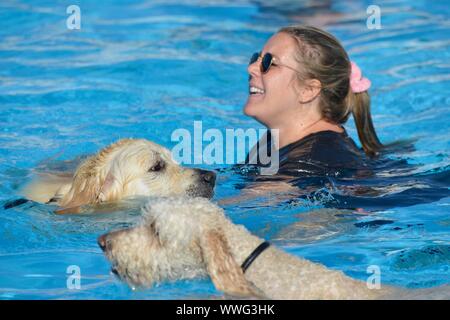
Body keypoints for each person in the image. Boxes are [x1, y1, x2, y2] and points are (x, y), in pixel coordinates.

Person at [243, 25, 383, 179]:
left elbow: (247, 201)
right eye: (256, 58)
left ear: (308, 90)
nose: (251, 68)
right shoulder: (273, 141)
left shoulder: (313, 162)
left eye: (270, 63)